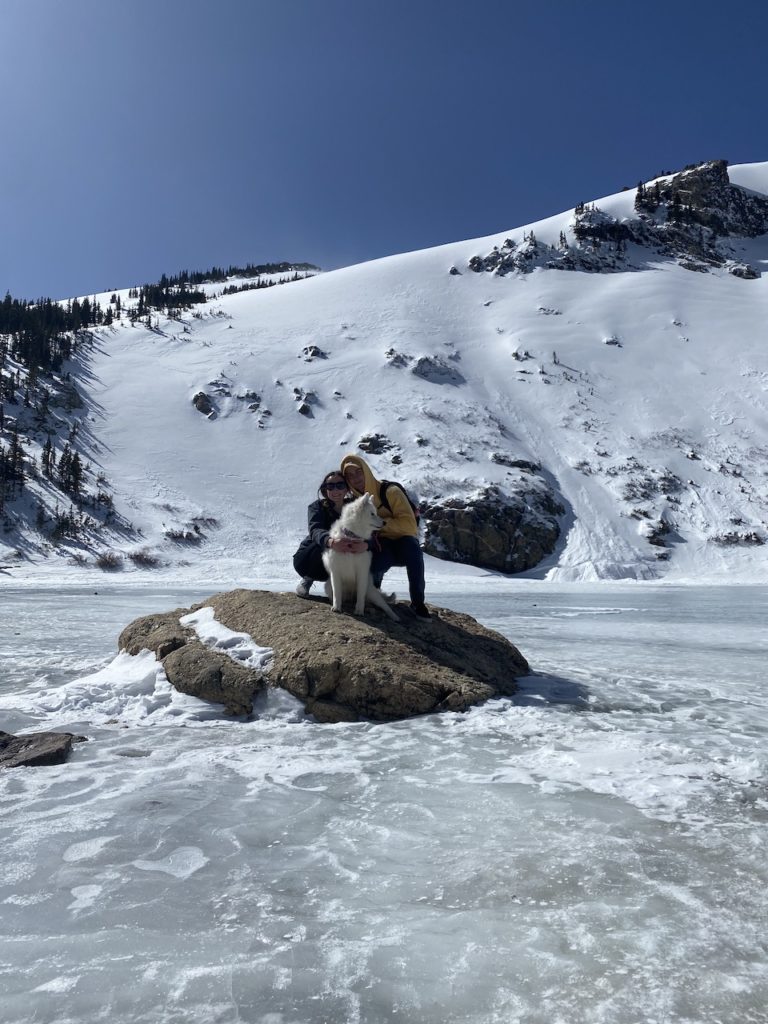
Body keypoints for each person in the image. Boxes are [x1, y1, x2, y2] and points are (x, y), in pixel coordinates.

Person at [340, 454, 430, 618]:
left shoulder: (391, 492)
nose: (355, 478)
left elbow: (409, 526)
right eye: (349, 475)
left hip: (403, 543)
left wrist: (379, 525)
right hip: (381, 546)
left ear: (366, 471)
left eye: (358, 472)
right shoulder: (354, 503)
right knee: (375, 564)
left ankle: (418, 603)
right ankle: (373, 597)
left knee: (413, 551)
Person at [293, 471, 367, 597]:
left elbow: (368, 528)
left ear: (347, 488)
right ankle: (308, 579)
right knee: (323, 544)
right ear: (325, 489)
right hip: (309, 558)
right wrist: (330, 542)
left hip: (342, 559)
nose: (335, 490)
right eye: (330, 486)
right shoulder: (317, 507)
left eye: (340, 485)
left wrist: (366, 545)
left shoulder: (355, 507)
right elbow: (315, 529)